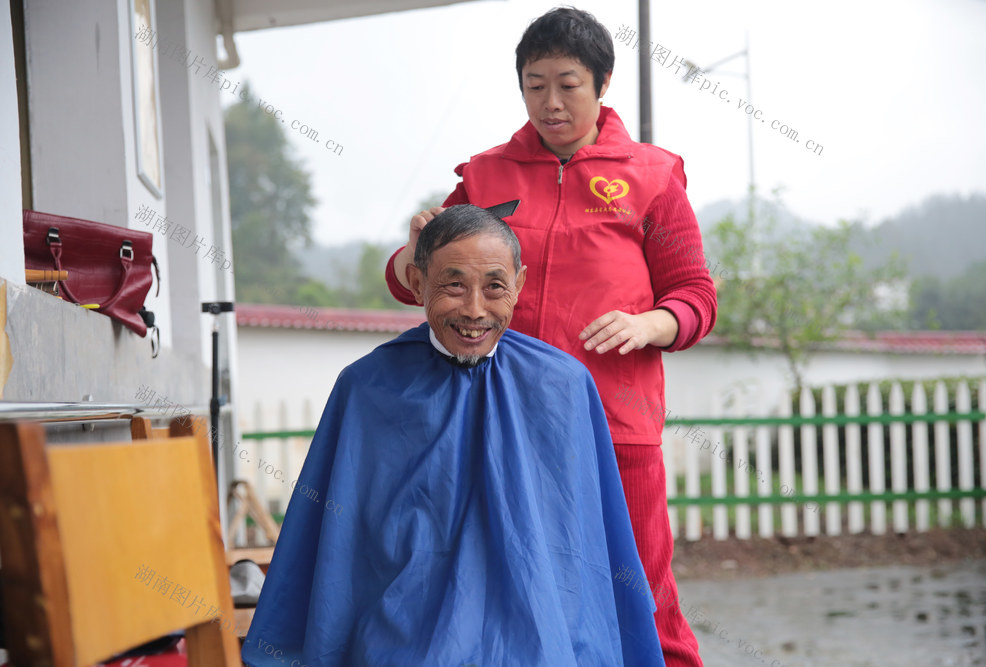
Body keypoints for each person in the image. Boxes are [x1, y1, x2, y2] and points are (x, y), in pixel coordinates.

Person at [384, 8, 716, 666]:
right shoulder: (485, 177)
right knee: (512, 588)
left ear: (603, 83)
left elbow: (695, 296)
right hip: (503, 422)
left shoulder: (651, 176)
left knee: (642, 589)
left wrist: (648, 323)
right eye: (535, 85)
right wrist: (410, 253)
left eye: (568, 84)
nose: (552, 102)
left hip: (617, 424)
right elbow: (417, 281)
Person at [242, 205, 664, 666]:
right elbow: (340, 544)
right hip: (407, 632)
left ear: (520, 284)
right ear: (418, 282)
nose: (475, 310)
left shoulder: (563, 384)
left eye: (495, 286)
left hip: (539, 631)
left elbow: (584, 542)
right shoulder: (368, 387)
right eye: (453, 285)